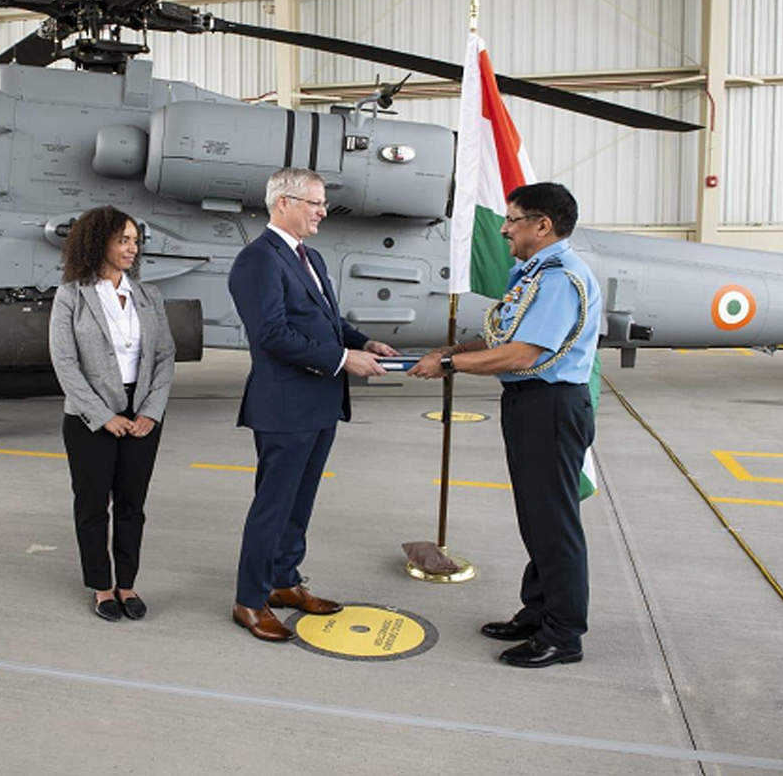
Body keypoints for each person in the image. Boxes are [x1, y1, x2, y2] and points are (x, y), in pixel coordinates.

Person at [410, 182, 601, 667]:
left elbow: (523, 353)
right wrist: (454, 351)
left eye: (513, 219)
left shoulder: (559, 278)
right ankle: (537, 612)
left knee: (554, 525)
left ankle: (564, 634)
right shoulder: (532, 275)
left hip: (552, 407)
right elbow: (502, 335)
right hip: (531, 406)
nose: (503, 229)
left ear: (543, 225)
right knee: (537, 518)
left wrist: (450, 367)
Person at [226, 167, 398, 642]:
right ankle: (250, 599)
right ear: (283, 203)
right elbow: (272, 335)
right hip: (285, 406)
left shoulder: (310, 257)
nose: (323, 211)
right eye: (315, 202)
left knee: (300, 505)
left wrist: (365, 342)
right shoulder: (257, 261)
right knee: (273, 507)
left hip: (319, 402)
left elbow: (326, 320)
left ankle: (284, 581)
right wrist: (345, 359)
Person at [49, 206, 176, 622]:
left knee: (131, 505)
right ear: (98, 241)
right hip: (89, 418)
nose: (131, 248)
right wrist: (104, 416)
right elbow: (65, 363)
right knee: (91, 506)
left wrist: (151, 412)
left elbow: (164, 357)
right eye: (123, 240)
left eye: (135, 241)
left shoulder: (149, 296)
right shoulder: (71, 295)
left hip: (142, 414)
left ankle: (128, 584)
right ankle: (102, 587)